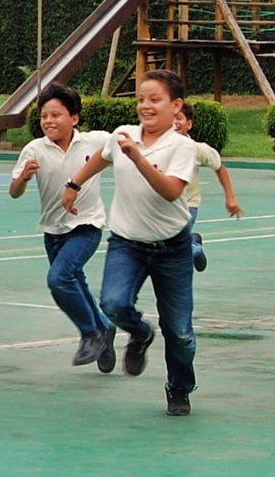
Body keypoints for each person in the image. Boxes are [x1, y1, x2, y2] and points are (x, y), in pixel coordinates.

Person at [62, 69, 199, 417]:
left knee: (180, 331)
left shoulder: (182, 146)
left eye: (155, 99)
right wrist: (74, 183)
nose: (145, 105)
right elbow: (103, 157)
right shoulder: (122, 135)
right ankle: (139, 333)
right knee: (112, 303)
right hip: (127, 243)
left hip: (172, 247)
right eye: (141, 99)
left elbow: (171, 191)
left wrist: (138, 157)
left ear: (175, 105)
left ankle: (179, 387)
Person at [9, 84, 116, 372]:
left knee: (59, 278)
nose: (49, 121)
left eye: (56, 115)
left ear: (75, 118)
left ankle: (90, 333)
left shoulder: (96, 142)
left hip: (87, 225)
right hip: (53, 231)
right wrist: (23, 178)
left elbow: (125, 144)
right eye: (44, 116)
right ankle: (104, 328)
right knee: (74, 283)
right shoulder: (34, 148)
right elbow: (14, 191)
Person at [174, 101, 242, 272]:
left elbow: (220, 167)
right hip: (165, 208)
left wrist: (230, 198)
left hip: (188, 206)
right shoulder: (158, 147)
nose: (174, 122)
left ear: (189, 124)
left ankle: (193, 248)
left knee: (173, 242)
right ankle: (193, 243)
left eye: (179, 118)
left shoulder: (197, 149)